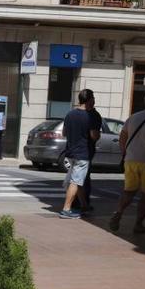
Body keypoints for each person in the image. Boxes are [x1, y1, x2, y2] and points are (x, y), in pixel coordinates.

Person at [109, 91, 145, 234]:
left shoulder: (133, 118)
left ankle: (119, 211)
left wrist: (125, 153)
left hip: (131, 160)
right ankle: (138, 224)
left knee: (129, 191)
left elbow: (122, 137)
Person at [59, 89, 100, 219]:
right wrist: (96, 134)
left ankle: (84, 205)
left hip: (70, 152)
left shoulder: (70, 114)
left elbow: (64, 133)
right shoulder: (91, 116)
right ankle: (66, 209)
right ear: (89, 100)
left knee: (78, 180)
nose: (94, 100)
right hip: (83, 154)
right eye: (93, 98)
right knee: (76, 181)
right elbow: (94, 136)